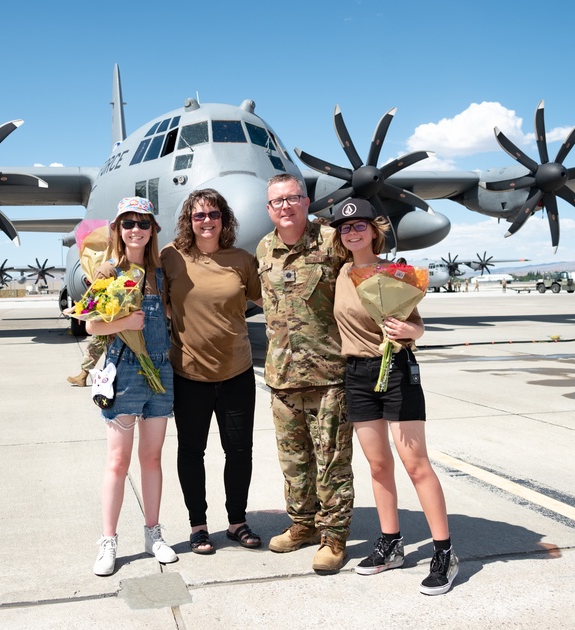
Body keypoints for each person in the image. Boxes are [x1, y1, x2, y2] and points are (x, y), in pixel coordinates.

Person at [329, 197, 458, 595]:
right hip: (357, 375)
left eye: (359, 225)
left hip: (397, 371)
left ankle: (444, 553)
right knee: (379, 465)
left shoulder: (394, 272)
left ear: (374, 230)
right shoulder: (342, 273)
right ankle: (391, 544)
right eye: (345, 228)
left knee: (415, 463)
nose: (352, 232)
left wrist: (409, 334)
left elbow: (416, 327)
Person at [256, 173, 354, 574]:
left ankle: (334, 536)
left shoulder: (333, 241)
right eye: (277, 201)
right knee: (294, 460)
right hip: (282, 375)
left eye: (292, 198)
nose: (285, 206)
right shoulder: (265, 248)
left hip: (328, 372)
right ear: (269, 208)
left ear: (306, 201)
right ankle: (302, 525)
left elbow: (368, 274)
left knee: (331, 460)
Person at [161, 189, 263, 555]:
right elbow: (149, 295)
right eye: (199, 216)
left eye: (214, 214)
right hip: (189, 374)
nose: (207, 221)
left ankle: (237, 522)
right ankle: (198, 526)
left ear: (225, 219)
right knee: (191, 451)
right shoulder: (171, 257)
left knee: (239, 451)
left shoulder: (241, 260)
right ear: (188, 220)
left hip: (237, 371)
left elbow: (270, 301)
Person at [85, 197, 177, 576]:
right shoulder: (107, 272)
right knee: (118, 461)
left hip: (160, 371)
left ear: (153, 229)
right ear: (118, 231)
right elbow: (90, 325)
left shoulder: (159, 273)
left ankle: (153, 533)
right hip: (123, 373)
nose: (136, 229)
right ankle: (108, 540)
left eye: (143, 223)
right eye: (128, 223)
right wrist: (123, 325)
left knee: (152, 458)